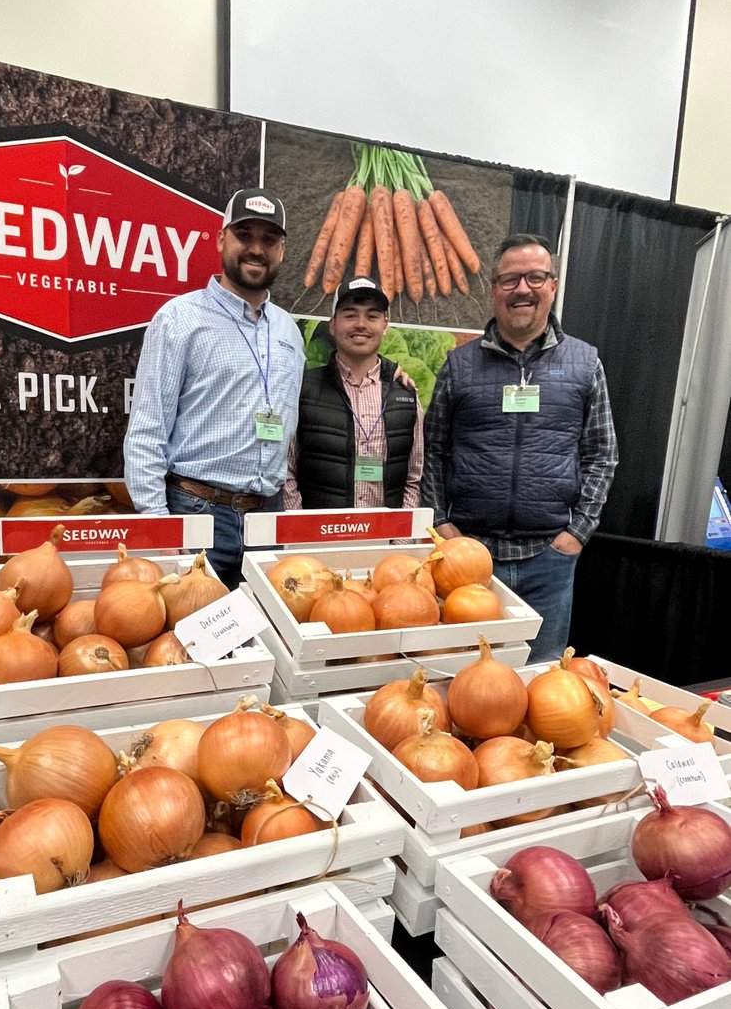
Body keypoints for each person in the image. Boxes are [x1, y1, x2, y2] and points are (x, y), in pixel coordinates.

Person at [421, 233, 618, 663]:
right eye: (510, 280)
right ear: (494, 290)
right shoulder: (459, 364)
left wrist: (576, 533)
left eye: (535, 277)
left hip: (549, 560)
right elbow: (432, 451)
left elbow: (602, 454)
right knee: (461, 681)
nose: (522, 289)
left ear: (553, 286)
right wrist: (442, 524)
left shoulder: (585, 363)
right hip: (469, 561)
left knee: (541, 683)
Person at [123, 189, 305, 588]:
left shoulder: (290, 332)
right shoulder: (180, 319)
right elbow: (147, 428)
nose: (256, 249)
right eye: (245, 235)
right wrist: (159, 529)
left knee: (269, 644)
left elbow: (289, 435)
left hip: (267, 520)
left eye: (269, 239)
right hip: (196, 514)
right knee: (191, 643)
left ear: (282, 250)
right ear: (222, 239)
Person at [283, 276, 423, 510]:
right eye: (350, 314)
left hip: (386, 541)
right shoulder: (303, 390)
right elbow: (286, 474)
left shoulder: (406, 396)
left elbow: (414, 479)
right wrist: (302, 536)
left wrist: (401, 542)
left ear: (385, 326)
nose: (361, 324)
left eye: (372, 316)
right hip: (320, 540)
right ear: (333, 324)